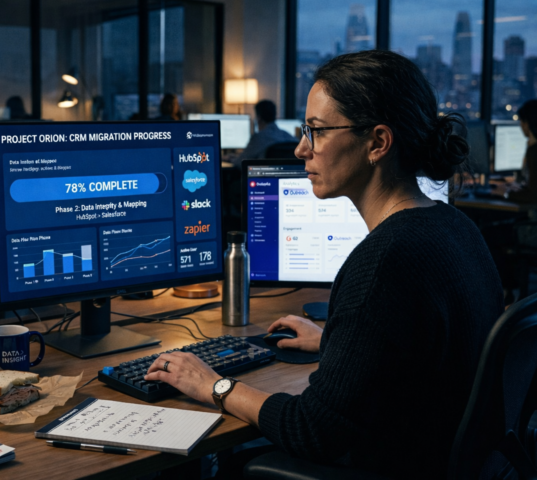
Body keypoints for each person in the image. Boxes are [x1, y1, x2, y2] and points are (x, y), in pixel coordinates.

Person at [145, 50, 504, 479]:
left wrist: (213, 385)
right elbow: (428, 352)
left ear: (377, 143)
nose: (301, 149)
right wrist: (337, 341)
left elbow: (313, 429)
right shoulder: (455, 226)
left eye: (316, 131)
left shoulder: (384, 261)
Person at [496, 99, 537, 203]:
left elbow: (533, 195)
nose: (520, 125)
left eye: (521, 121)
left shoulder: (534, 151)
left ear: (527, 124)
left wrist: (506, 193)